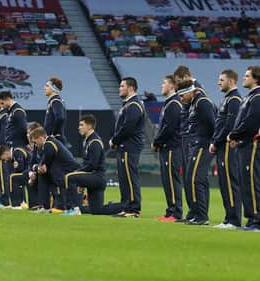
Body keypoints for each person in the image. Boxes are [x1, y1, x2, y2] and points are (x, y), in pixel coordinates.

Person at [227, 66, 260, 231]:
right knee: (246, 183)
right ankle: (252, 219)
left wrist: (234, 135)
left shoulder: (259, 97)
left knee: (252, 183)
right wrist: (237, 138)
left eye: (246, 76)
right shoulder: (251, 97)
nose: (243, 78)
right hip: (245, 145)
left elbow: (250, 122)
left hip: (253, 146)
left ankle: (258, 221)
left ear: (256, 79)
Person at [177, 80, 215, 226]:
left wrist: (213, 142)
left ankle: (201, 215)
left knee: (196, 179)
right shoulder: (195, 103)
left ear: (189, 91)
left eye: (182, 95)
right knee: (191, 178)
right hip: (197, 144)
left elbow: (213, 124)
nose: (181, 99)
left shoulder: (202, 103)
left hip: (202, 145)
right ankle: (195, 213)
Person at [209, 69, 243, 229]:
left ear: (231, 81)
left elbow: (229, 125)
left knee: (230, 182)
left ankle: (234, 219)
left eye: (221, 80)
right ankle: (228, 217)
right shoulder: (227, 99)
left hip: (228, 146)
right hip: (222, 145)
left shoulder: (234, 99)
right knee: (224, 182)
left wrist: (216, 141)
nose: (218, 82)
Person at [108, 77, 145, 218]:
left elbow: (128, 128)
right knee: (124, 178)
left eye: (122, 86)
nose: (119, 88)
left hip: (129, 146)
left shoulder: (134, 105)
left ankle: (133, 209)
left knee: (129, 177)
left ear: (130, 88)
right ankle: (126, 206)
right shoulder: (129, 104)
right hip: (125, 146)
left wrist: (115, 140)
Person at [173, 65, 205, 221]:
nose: (179, 88)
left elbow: (206, 119)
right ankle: (192, 212)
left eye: (180, 82)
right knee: (187, 176)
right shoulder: (190, 95)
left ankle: (198, 212)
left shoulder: (197, 93)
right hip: (189, 137)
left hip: (196, 139)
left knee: (194, 177)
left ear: (186, 77)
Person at [152, 76, 184, 222]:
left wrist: (157, 142)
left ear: (172, 86)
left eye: (164, 83)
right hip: (168, 147)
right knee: (167, 180)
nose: (161, 85)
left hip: (172, 147)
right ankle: (170, 211)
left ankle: (175, 213)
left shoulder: (174, 103)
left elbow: (169, 128)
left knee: (172, 180)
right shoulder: (169, 103)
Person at [63, 115, 107, 216]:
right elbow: (88, 164)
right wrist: (82, 182)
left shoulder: (94, 142)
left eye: (81, 125)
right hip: (96, 177)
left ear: (90, 126)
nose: (79, 127)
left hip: (97, 177)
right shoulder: (87, 141)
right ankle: (121, 207)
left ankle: (74, 208)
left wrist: (78, 175)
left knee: (69, 177)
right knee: (96, 211)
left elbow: (93, 165)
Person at [31, 127, 80, 213]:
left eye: (35, 142)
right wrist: (39, 167)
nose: (35, 145)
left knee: (54, 174)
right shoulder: (50, 143)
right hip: (63, 169)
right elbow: (44, 162)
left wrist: (40, 166)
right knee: (44, 175)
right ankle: (45, 206)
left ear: (41, 138)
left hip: (69, 171)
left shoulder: (49, 143)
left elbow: (47, 157)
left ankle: (62, 206)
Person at [0, 90, 28, 207]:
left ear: (7, 100)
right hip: (13, 146)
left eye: (2, 103)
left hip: (19, 147)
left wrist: (26, 145)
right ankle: (15, 202)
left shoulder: (18, 111)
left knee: (18, 175)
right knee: (12, 175)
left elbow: (23, 129)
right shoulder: (11, 112)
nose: (2, 106)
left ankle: (21, 202)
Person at [0, 143, 30, 210]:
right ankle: (21, 202)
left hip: (32, 171)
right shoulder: (14, 154)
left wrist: (17, 166)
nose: (5, 160)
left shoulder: (17, 152)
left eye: (3, 159)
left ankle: (16, 205)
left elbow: (20, 168)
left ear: (6, 153)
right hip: (29, 171)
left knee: (12, 177)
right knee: (14, 178)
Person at [44, 77, 67, 146]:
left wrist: (53, 134)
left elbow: (60, 118)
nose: (44, 88)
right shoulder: (55, 101)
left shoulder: (55, 101)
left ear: (53, 88)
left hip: (55, 140)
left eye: (47, 86)